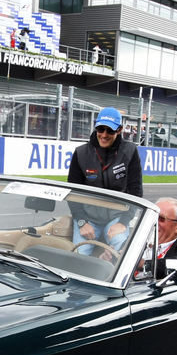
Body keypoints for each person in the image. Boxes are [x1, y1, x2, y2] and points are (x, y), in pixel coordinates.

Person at [67, 106, 143, 255]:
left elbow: (136, 191)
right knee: (79, 256)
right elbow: (73, 193)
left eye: (110, 130)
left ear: (119, 130)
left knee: (123, 252)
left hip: (116, 218)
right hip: (87, 219)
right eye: (100, 129)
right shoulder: (81, 153)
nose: (104, 135)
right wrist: (81, 221)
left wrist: (123, 222)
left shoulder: (130, 151)